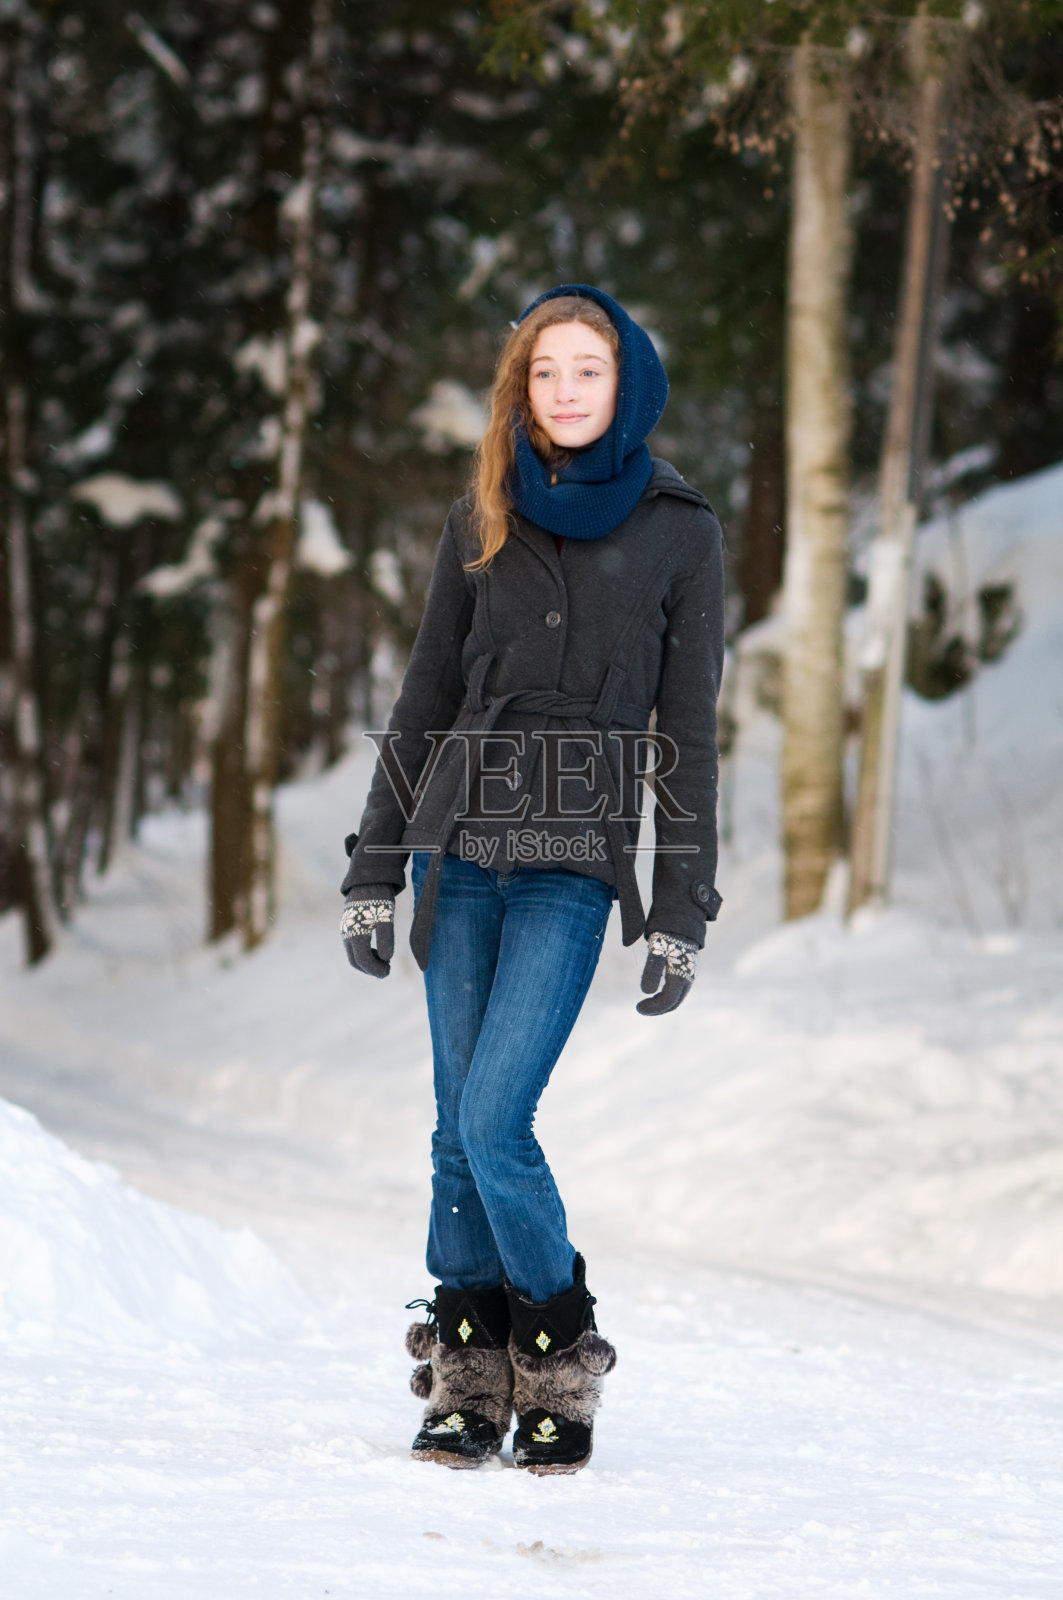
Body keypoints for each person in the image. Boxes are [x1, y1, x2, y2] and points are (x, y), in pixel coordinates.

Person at [340, 284, 724, 1474]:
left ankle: (556, 1353)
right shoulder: (482, 512)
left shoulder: (679, 530)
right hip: (460, 847)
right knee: (455, 1132)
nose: (563, 391)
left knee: (496, 1118)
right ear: (521, 388)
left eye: (586, 371)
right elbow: (424, 699)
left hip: (573, 858)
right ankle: (467, 1369)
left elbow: (688, 729)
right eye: (543, 372)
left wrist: (678, 907)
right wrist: (374, 868)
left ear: (627, 385)